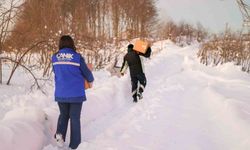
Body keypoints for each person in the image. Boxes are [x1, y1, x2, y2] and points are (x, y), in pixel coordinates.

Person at [52, 35, 94, 149]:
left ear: (60, 44)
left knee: (63, 115)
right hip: (76, 93)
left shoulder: (54, 58)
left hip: (61, 93)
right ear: (72, 44)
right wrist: (90, 80)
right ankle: (75, 145)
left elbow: (56, 72)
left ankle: (60, 134)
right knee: (75, 117)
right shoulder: (77, 57)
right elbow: (87, 73)